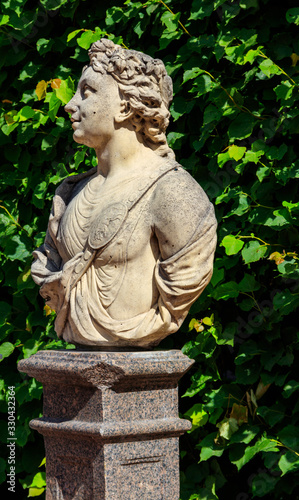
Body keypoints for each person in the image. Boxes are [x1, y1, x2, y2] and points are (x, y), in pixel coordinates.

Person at [31, 39, 217, 348]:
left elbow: (186, 278)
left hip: (137, 355)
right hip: (76, 352)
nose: (70, 104)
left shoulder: (172, 191)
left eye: (87, 92)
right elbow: (49, 265)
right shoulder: (69, 192)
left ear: (126, 106)